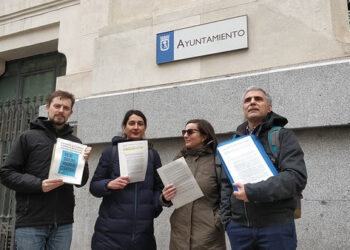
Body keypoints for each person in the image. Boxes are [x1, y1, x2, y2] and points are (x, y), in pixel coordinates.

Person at [0, 90, 91, 250]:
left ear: (71, 112)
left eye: (66, 108)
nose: (61, 110)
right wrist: (39, 184)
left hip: (63, 223)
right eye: (57, 106)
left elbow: (80, 182)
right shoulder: (27, 137)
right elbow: (7, 173)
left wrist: (83, 163)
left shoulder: (75, 142)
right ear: (48, 107)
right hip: (31, 222)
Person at [220, 86, 307, 250]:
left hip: (276, 228)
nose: (252, 102)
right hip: (239, 230)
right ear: (244, 108)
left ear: (269, 108)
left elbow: (295, 177)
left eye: (258, 99)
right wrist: (228, 222)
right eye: (247, 100)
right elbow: (226, 184)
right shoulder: (233, 141)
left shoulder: (282, 136)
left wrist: (252, 192)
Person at [90, 110, 163, 250]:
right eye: (132, 123)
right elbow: (94, 186)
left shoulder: (153, 155)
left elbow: (159, 187)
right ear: (124, 127)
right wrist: (109, 184)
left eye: (140, 124)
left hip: (143, 236)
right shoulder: (110, 152)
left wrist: (153, 208)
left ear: (145, 128)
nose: (136, 127)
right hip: (109, 236)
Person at [162, 119, 226, 250]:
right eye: (184, 132)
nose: (185, 135)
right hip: (179, 236)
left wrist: (217, 222)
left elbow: (228, 196)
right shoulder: (180, 159)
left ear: (204, 136)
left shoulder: (218, 160)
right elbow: (168, 197)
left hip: (208, 237)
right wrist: (165, 197)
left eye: (190, 132)